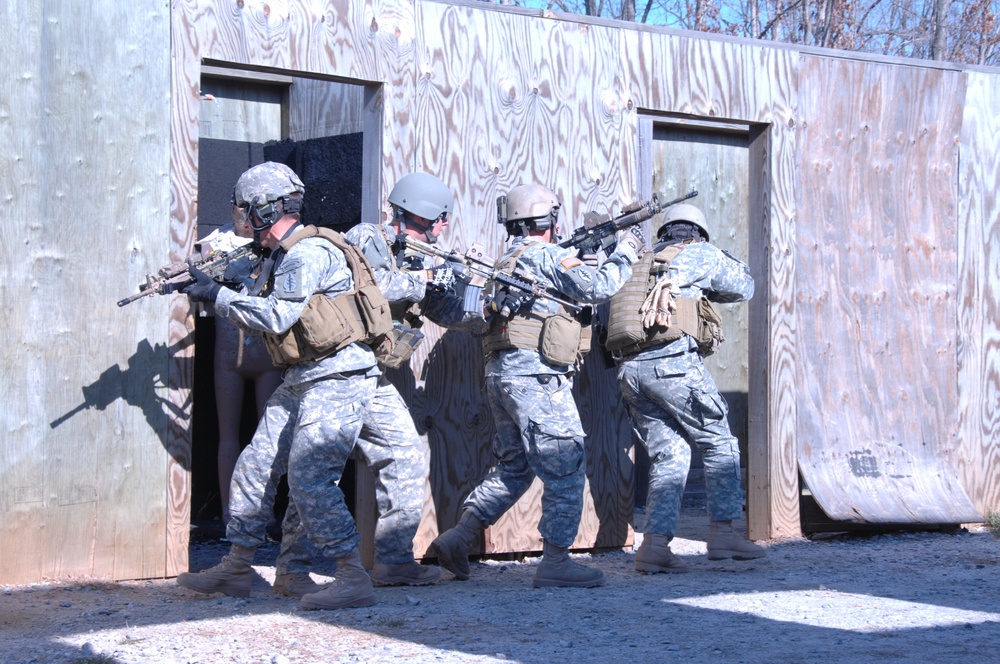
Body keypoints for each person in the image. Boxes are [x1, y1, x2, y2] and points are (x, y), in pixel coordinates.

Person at [176, 161, 390, 610]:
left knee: (311, 476)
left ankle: (352, 575)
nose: (242, 221)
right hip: (306, 373)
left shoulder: (306, 253)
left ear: (263, 211)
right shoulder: (277, 254)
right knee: (256, 465)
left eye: (246, 212)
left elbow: (276, 316)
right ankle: (238, 566)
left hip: (339, 375)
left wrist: (217, 297)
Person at [430, 183, 643, 588]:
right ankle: (556, 561)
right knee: (566, 464)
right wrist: (628, 249)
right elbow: (597, 288)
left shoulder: (508, 259)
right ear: (546, 220)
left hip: (503, 375)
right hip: (537, 376)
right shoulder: (545, 255)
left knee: (515, 467)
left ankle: (458, 539)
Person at [269, 172, 475, 588]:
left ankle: (394, 561)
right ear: (406, 216)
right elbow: (373, 284)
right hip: (335, 371)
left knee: (405, 455)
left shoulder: (419, 258)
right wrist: (429, 276)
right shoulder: (366, 237)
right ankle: (292, 567)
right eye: (428, 224)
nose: (435, 232)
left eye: (435, 225)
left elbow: (447, 314)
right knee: (317, 467)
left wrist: (478, 300)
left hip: (371, 379)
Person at [603, 202, 766, 573]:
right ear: (698, 232)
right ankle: (724, 533)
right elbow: (745, 286)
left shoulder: (639, 261)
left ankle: (655, 546)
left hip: (631, 373)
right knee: (719, 443)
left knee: (671, 455)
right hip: (673, 366)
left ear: (664, 231)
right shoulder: (698, 252)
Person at [200, 211, 283, 527]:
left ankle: (262, 513)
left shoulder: (274, 244)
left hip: (262, 350)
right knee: (231, 438)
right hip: (231, 351)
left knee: (266, 438)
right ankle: (230, 514)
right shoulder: (215, 243)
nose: (242, 220)